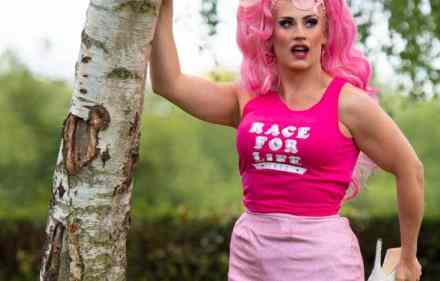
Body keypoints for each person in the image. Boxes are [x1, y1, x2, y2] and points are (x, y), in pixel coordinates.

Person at [149, 0, 424, 280]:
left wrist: (408, 257)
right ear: (269, 34)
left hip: (322, 258)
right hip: (252, 255)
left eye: (310, 22)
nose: (299, 33)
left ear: (326, 33)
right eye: (286, 23)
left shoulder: (349, 103)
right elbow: (169, 84)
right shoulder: (246, 97)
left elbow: (410, 169)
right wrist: (162, 6)